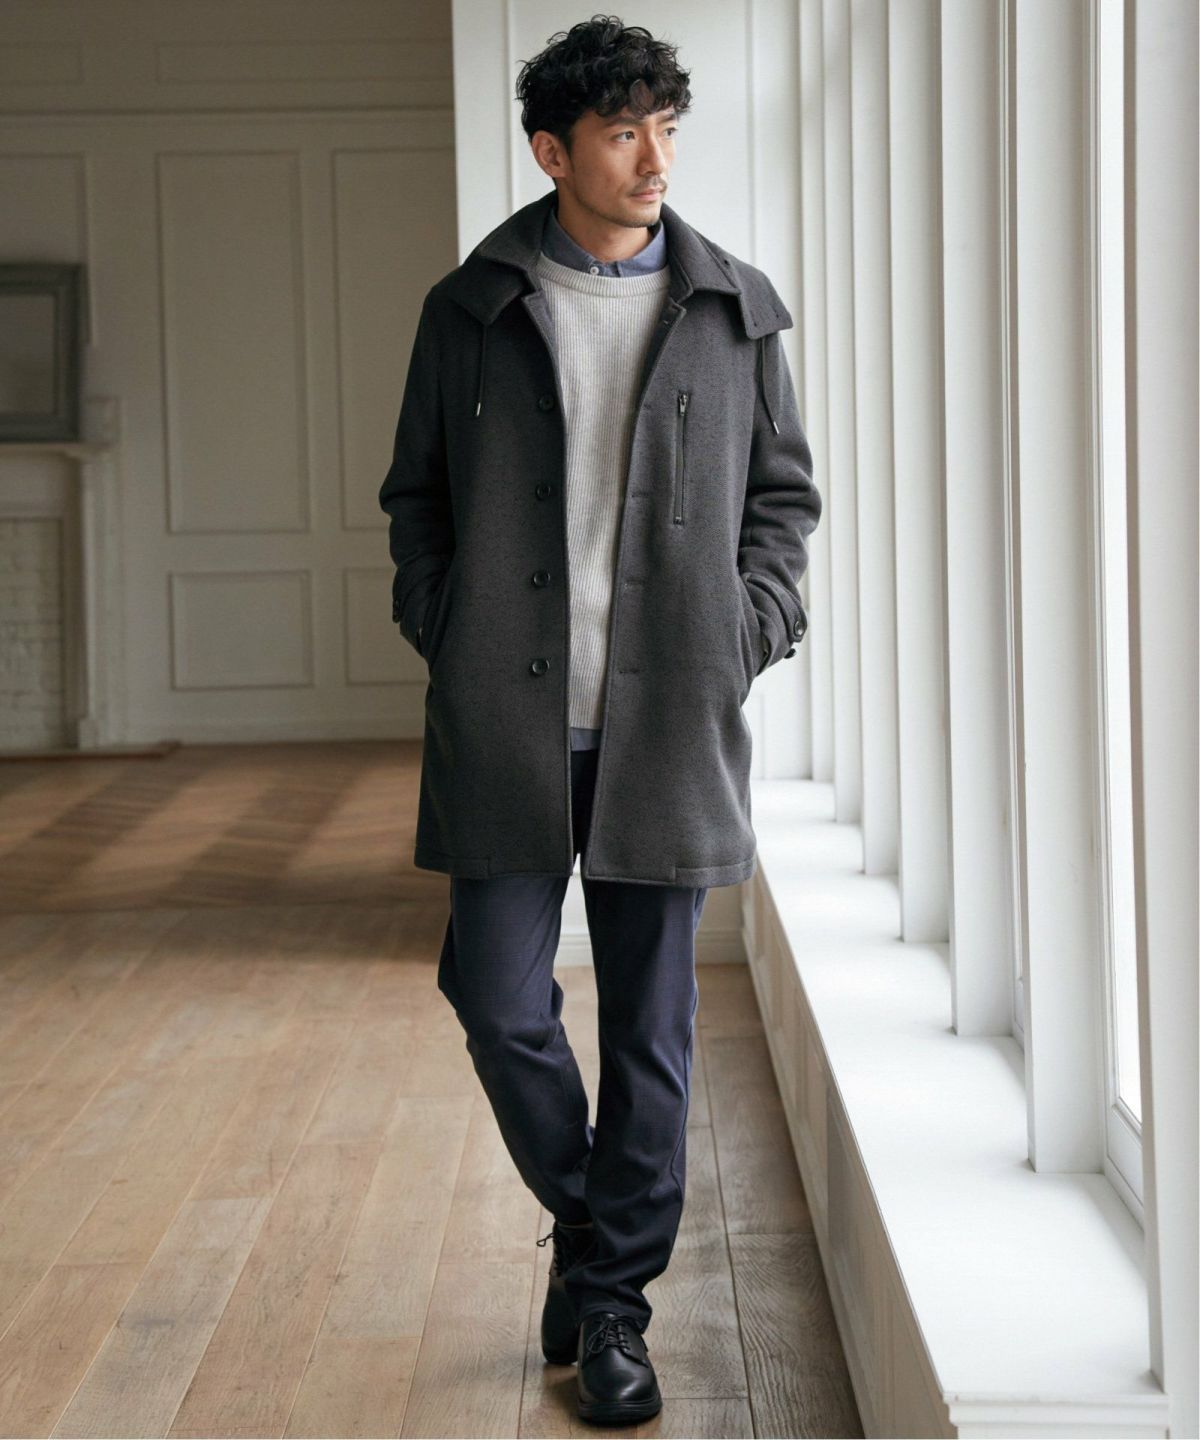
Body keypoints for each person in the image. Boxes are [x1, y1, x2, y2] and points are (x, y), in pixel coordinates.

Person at [379, 14, 821, 1427]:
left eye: (665, 130)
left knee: (651, 1033)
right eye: (624, 132)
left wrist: (747, 631)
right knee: (498, 999)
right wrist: (446, 627)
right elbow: (415, 500)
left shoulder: (734, 307)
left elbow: (783, 504)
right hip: (509, 722)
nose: (654, 159)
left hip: (670, 724)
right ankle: (589, 1228)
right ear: (552, 151)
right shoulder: (471, 309)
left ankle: (615, 1307)